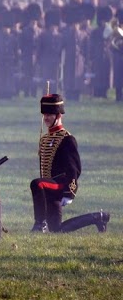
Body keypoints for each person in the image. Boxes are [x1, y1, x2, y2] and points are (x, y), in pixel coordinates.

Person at [30, 93, 109, 233]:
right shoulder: (44, 139)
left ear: (59, 115)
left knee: (37, 183)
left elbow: (75, 168)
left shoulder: (67, 139)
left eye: (50, 114)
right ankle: (98, 217)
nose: (46, 118)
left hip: (61, 184)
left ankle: (39, 224)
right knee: (57, 230)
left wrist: (69, 192)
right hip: (49, 188)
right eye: (45, 114)